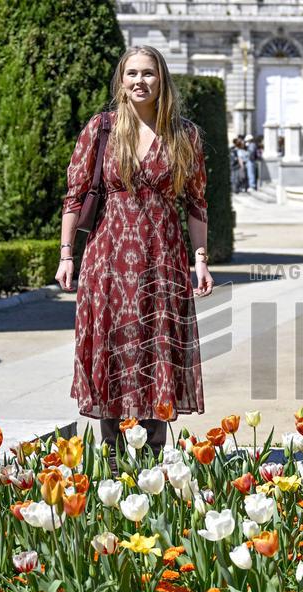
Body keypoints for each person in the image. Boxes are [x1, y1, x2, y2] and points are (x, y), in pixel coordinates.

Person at [55, 45, 214, 471]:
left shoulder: (185, 135)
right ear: (121, 81)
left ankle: (156, 467)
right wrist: (67, 254)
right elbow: (74, 196)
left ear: (162, 80)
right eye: (132, 74)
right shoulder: (101, 129)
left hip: (162, 261)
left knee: (156, 352)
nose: (140, 81)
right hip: (107, 260)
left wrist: (200, 259)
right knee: (113, 352)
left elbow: (197, 204)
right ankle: (112, 466)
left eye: (148, 73)